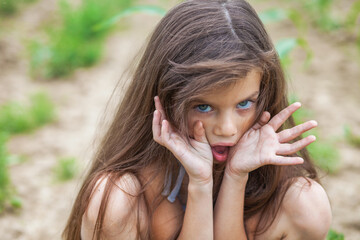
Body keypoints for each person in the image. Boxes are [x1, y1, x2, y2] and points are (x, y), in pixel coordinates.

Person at [62, 0, 332, 239]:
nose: (227, 130)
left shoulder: (277, 184)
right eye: (203, 107)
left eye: (244, 104)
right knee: (110, 199)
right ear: (165, 98)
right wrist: (201, 185)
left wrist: (236, 177)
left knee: (308, 201)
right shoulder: (139, 186)